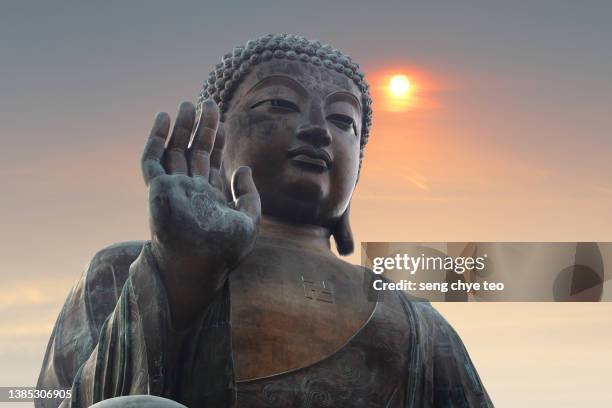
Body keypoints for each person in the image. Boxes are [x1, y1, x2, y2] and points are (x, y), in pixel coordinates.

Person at [37, 33, 493, 408]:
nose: (317, 128)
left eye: (342, 120)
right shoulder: (122, 271)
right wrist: (181, 271)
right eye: (279, 104)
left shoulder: (416, 321)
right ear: (214, 143)